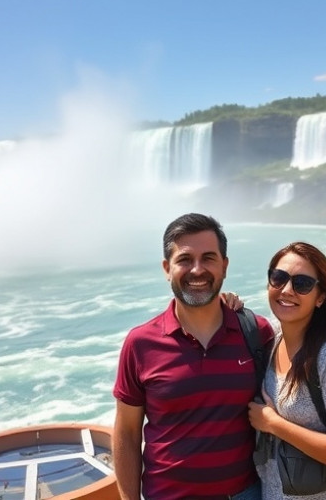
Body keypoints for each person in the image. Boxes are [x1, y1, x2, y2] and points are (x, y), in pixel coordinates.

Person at [112, 213, 275, 500]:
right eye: (185, 259)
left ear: (224, 266)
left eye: (209, 258)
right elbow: (126, 432)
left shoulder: (256, 332)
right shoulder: (140, 344)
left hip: (246, 494)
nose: (197, 270)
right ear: (167, 268)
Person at [248, 242, 326, 499]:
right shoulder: (274, 340)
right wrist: (226, 304)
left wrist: (273, 424)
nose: (287, 290)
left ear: (320, 297)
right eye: (278, 278)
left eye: (302, 284)